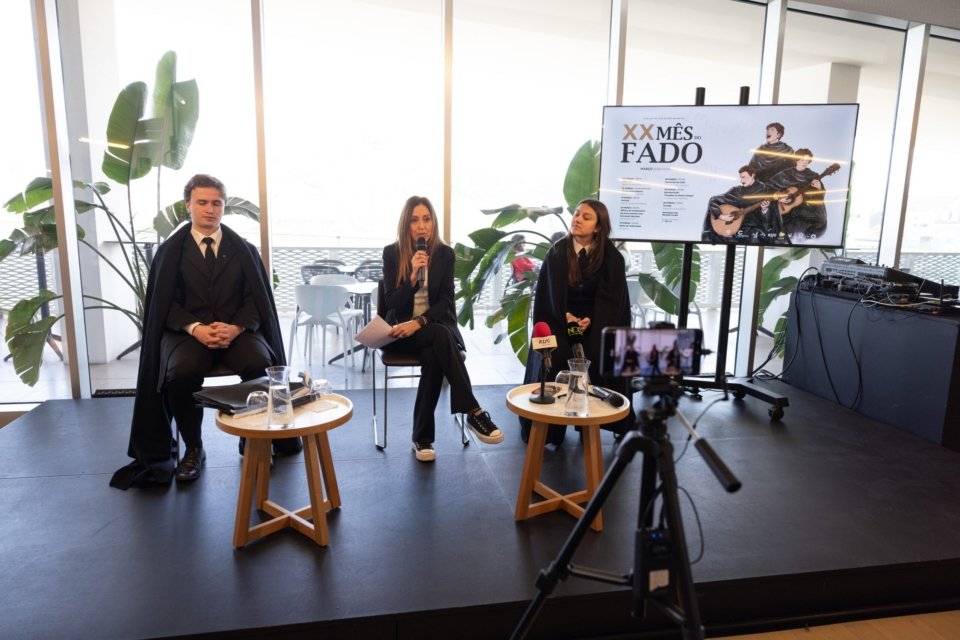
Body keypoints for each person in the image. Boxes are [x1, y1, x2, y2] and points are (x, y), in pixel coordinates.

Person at [110, 174, 295, 489]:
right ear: (188, 206)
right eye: (203, 202)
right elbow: (164, 305)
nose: (210, 209)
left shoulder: (244, 250)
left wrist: (236, 327)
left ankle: (252, 438)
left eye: (216, 203)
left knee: (260, 365)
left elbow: (257, 301)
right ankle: (194, 448)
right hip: (188, 334)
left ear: (224, 206)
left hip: (237, 332)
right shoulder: (170, 252)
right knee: (181, 373)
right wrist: (195, 328)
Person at [381, 195, 504, 462]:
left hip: (433, 329)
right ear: (406, 224)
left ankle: (422, 439)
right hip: (401, 333)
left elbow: (446, 300)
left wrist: (419, 322)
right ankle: (473, 411)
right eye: (414, 220)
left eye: (426, 219)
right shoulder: (392, 253)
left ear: (433, 222)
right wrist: (412, 280)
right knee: (438, 340)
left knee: (434, 351)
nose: (421, 226)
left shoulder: (445, 254)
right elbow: (391, 302)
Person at [520, 198, 634, 446]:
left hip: (597, 322)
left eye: (586, 217)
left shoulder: (612, 257)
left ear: (598, 227)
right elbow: (548, 296)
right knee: (555, 355)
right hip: (559, 319)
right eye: (577, 214)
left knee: (597, 353)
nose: (578, 219)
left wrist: (592, 319)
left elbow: (613, 300)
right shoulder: (557, 253)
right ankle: (548, 429)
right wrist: (566, 316)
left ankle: (594, 423)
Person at [702, 165, 785, 244]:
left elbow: (770, 219)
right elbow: (713, 200)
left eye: (743, 177)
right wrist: (721, 216)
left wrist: (764, 210)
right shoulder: (737, 191)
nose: (741, 181)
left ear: (752, 176)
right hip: (735, 228)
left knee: (756, 237)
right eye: (740, 177)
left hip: (752, 229)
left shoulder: (765, 190)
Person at [767, 148, 829, 240]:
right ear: (796, 159)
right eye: (802, 160)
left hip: (805, 208)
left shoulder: (813, 175)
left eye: (807, 161)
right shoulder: (785, 174)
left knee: (813, 221)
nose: (804, 163)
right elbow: (769, 187)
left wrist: (819, 188)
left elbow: (820, 196)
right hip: (786, 208)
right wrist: (779, 197)